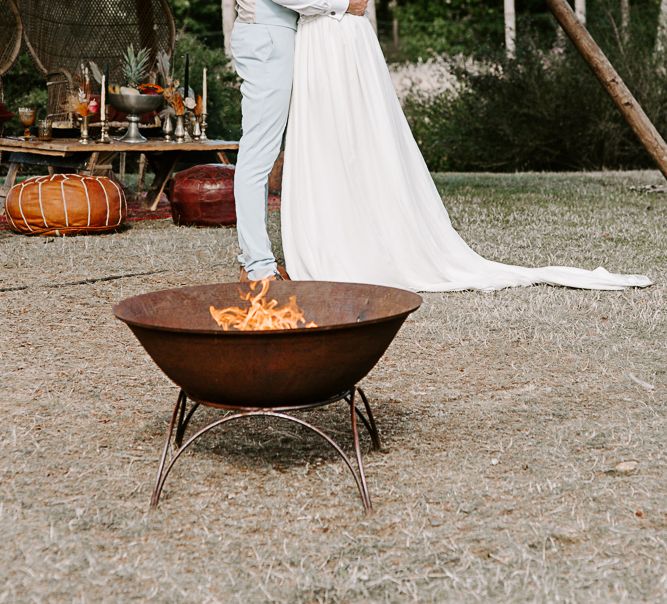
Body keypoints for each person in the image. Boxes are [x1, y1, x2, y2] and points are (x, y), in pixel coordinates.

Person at [280, 13, 653, 292]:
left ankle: (365, 239)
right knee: (329, 141)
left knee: (365, 140)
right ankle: (340, 232)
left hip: (344, 36)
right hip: (323, 34)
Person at [232, 0, 368, 281]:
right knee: (258, 154)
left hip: (274, 34)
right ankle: (257, 266)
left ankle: (254, 260)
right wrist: (341, 5)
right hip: (266, 36)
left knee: (267, 150)